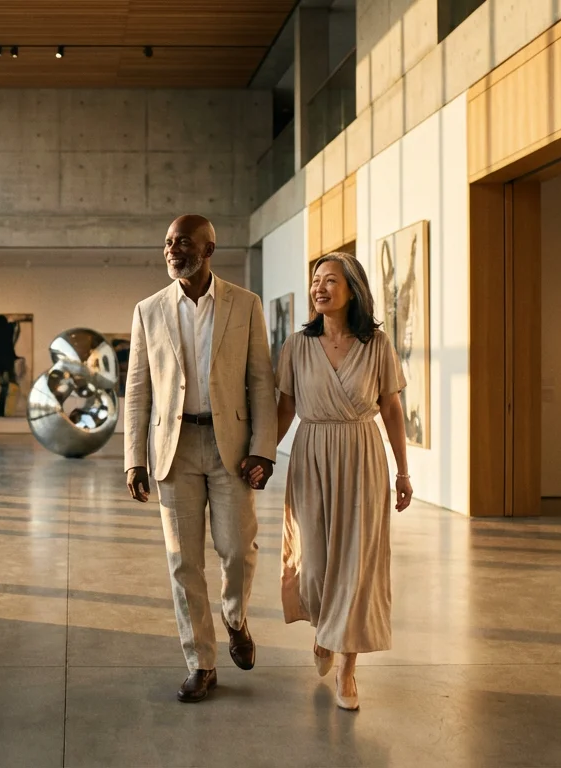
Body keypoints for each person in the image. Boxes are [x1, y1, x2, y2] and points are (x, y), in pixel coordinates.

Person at [124, 214, 278, 703]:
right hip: (174, 449)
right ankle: (201, 662)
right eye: (167, 242)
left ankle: (235, 617)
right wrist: (133, 458)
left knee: (238, 549)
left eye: (183, 242)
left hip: (230, 446)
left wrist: (263, 449)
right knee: (182, 561)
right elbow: (136, 390)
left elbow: (260, 382)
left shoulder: (245, 304)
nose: (172, 250)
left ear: (209, 249)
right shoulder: (148, 310)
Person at [257, 251, 412, 711]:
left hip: (363, 455)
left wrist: (403, 472)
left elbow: (391, 409)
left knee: (358, 563)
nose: (319, 288)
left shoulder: (376, 345)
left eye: (329, 281)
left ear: (353, 290)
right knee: (315, 560)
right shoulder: (295, 345)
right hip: (311, 454)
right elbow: (284, 408)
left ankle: (347, 666)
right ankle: (325, 627)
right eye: (315, 281)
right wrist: (263, 458)